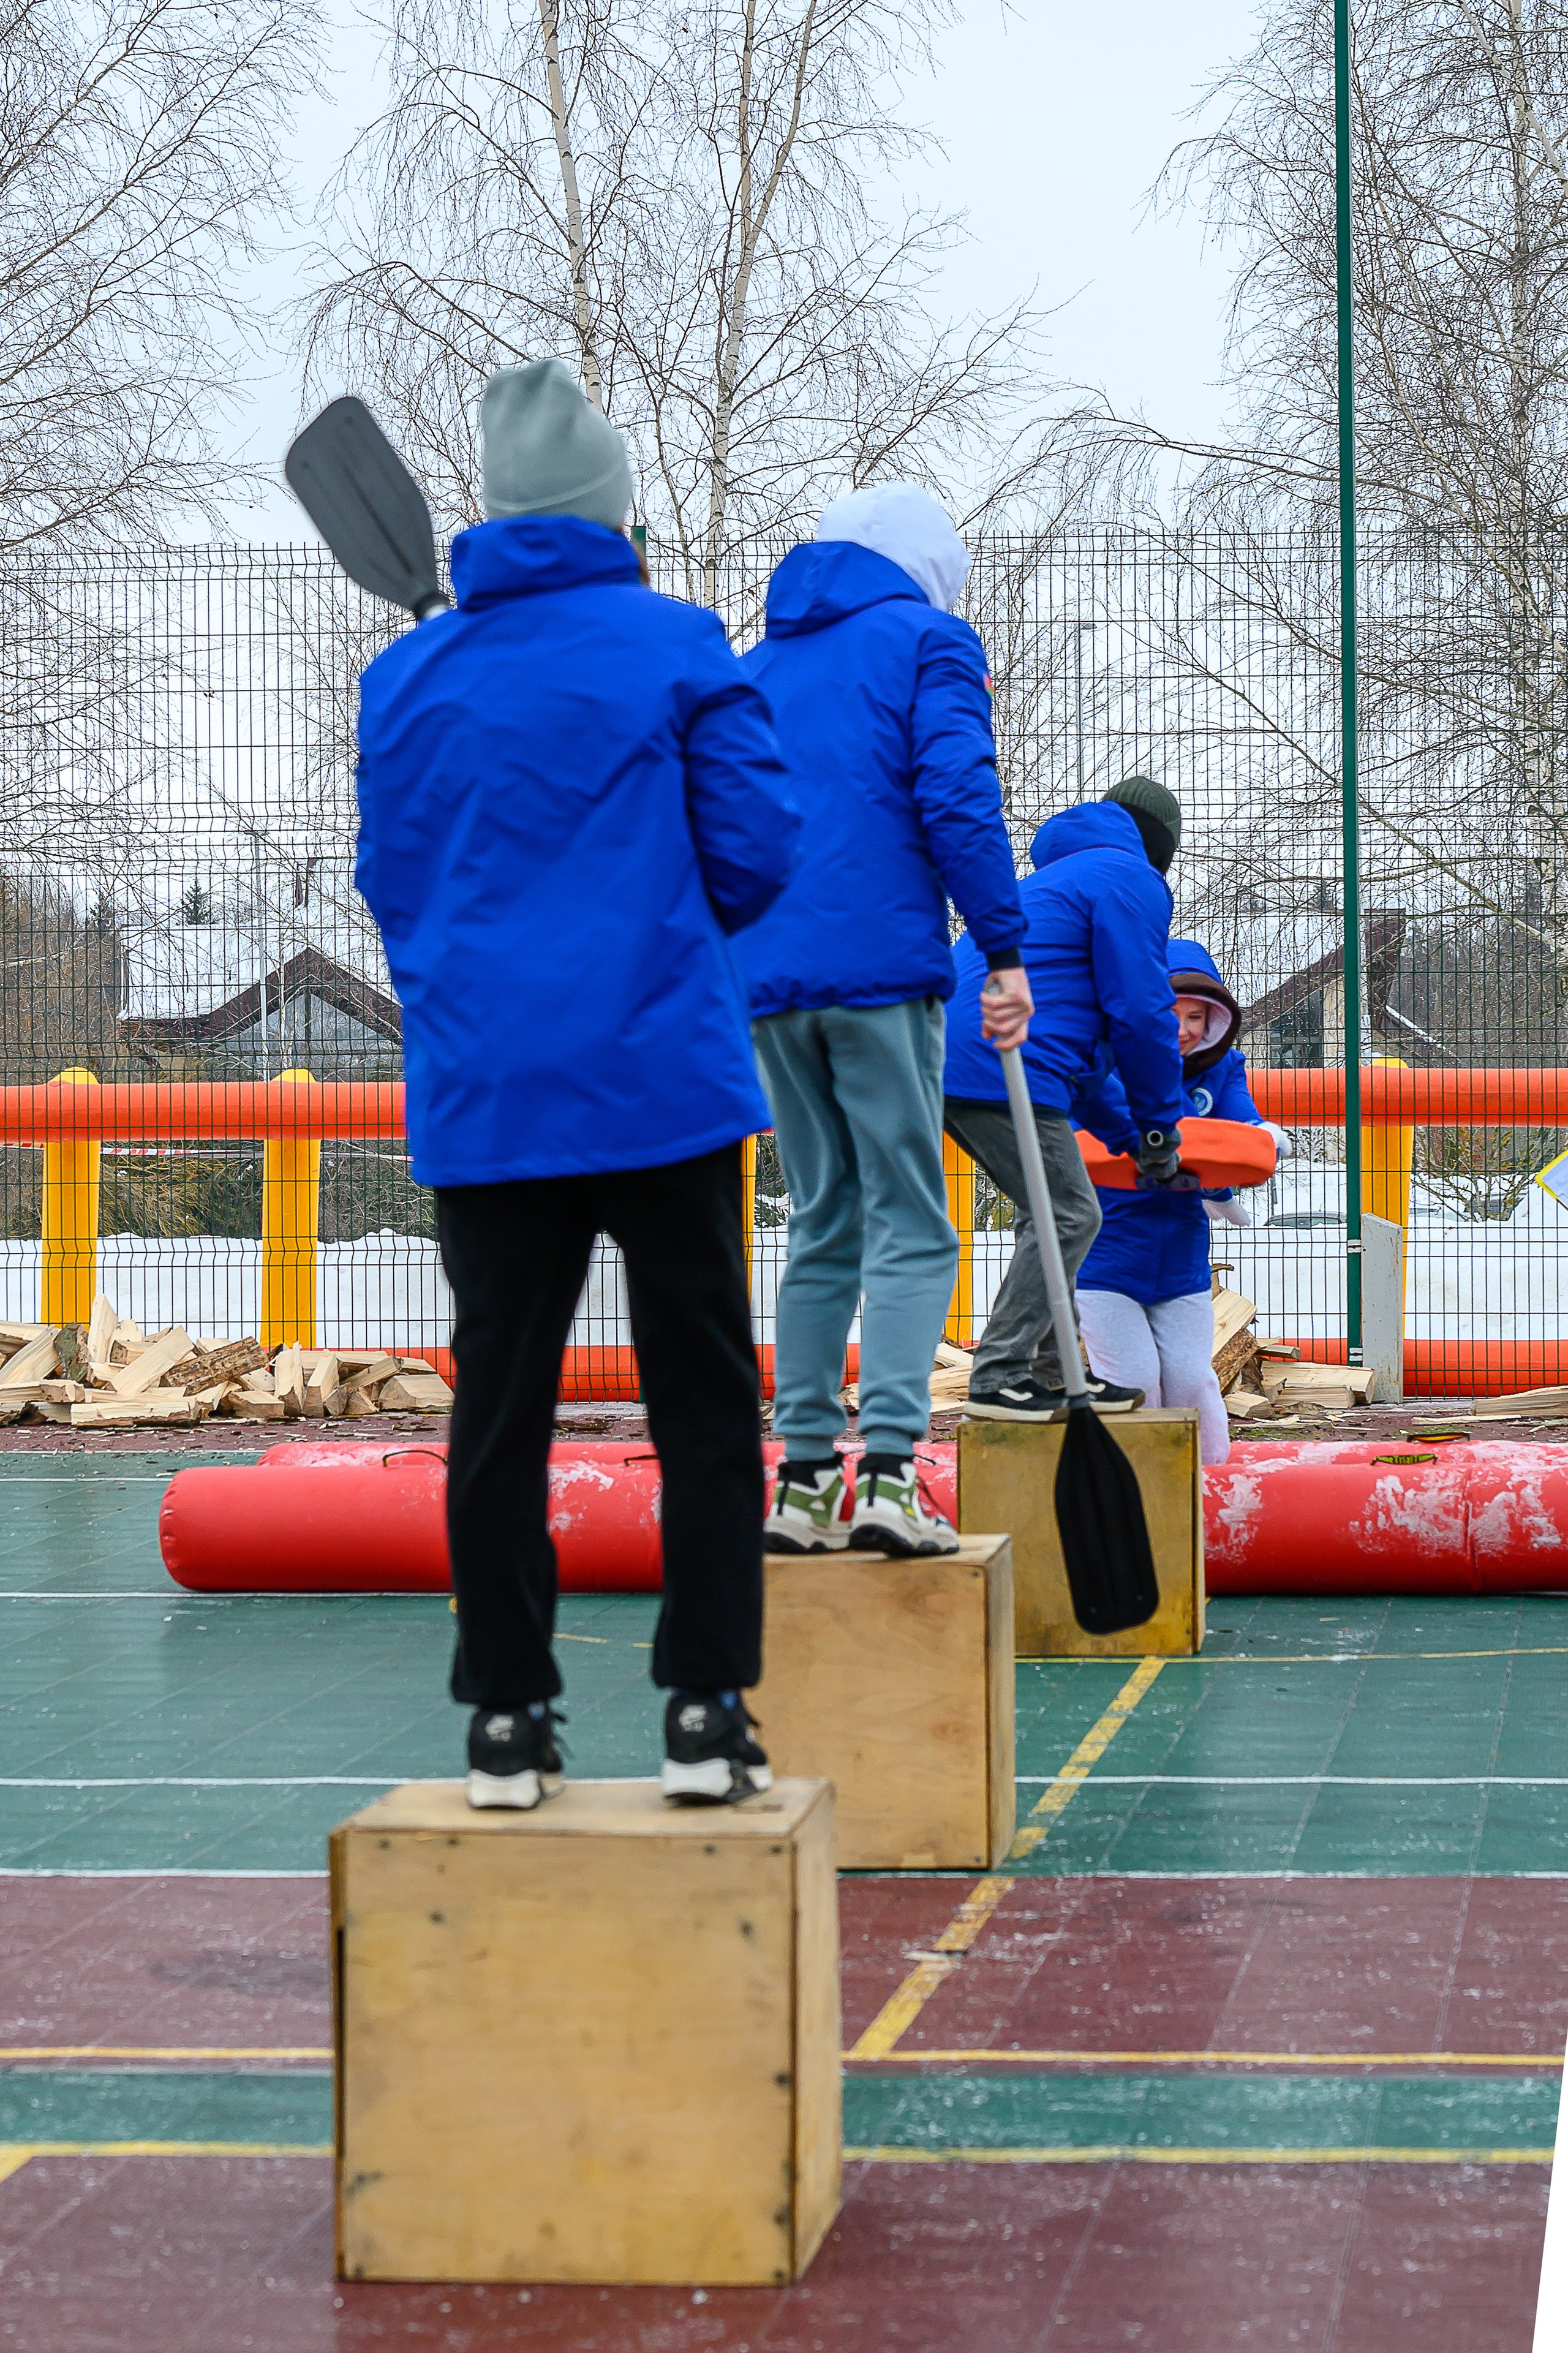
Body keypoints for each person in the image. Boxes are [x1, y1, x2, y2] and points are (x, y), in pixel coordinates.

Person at [354, 359, 801, 1810]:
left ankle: (503, 1719)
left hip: (487, 1093)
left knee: (500, 1405)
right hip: (660, 1077)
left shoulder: (405, 674)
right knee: (701, 1399)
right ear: (614, 513)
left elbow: (392, 877)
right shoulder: (678, 643)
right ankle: (702, 1711)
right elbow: (754, 849)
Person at [734, 482, 1033, 1558]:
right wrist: (1003, 947)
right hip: (878, 969)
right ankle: (892, 1477)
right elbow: (958, 796)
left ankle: (805, 1481)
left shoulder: (752, 667)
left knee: (824, 1218)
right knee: (914, 1218)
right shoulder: (930, 643)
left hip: (768, 979)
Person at [941, 776, 1189, 1419]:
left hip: (960, 1053)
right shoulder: (1129, 879)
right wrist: (1161, 1125)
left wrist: (1131, 1137)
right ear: (1160, 846)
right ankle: (998, 1374)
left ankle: (1053, 1374)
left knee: (1046, 1215)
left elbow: (1083, 1065)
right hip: (1000, 1059)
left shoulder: (1051, 885)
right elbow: (1141, 1010)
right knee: (1071, 1214)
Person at [1075, 937, 1276, 1466]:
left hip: (1180, 1264)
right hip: (1105, 1261)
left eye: (1197, 1015)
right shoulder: (1106, 1064)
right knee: (1133, 1382)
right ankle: (1134, 1495)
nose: (1184, 1027)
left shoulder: (1223, 1068)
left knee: (1192, 1382)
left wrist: (1257, 1142)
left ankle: (1209, 1492)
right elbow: (1083, 1132)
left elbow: (1244, 1124)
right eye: (1170, 1012)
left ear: (1215, 1020)